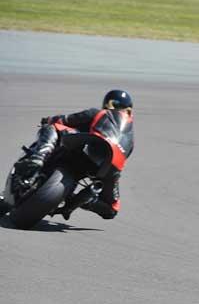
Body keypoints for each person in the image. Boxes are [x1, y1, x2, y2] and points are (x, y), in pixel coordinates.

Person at [12, 89, 135, 220]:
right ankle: (85, 200)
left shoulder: (97, 113)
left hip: (85, 149)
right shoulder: (131, 141)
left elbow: (65, 120)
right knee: (111, 209)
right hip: (106, 167)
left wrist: (48, 120)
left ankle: (38, 157)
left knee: (52, 127)